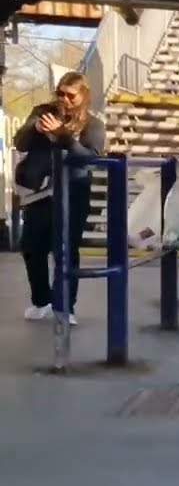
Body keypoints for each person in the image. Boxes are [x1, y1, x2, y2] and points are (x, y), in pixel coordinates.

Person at [12, 71, 105, 325]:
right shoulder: (43, 111)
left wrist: (63, 135)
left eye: (70, 95)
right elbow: (20, 143)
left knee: (66, 249)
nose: (64, 99)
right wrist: (35, 128)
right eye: (60, 93)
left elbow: (89, 157)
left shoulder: (93, 124)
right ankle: (41, 300)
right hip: (40, 192)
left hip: (73, 192)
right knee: (32, 247)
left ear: (83, 96)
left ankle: (65, 306)